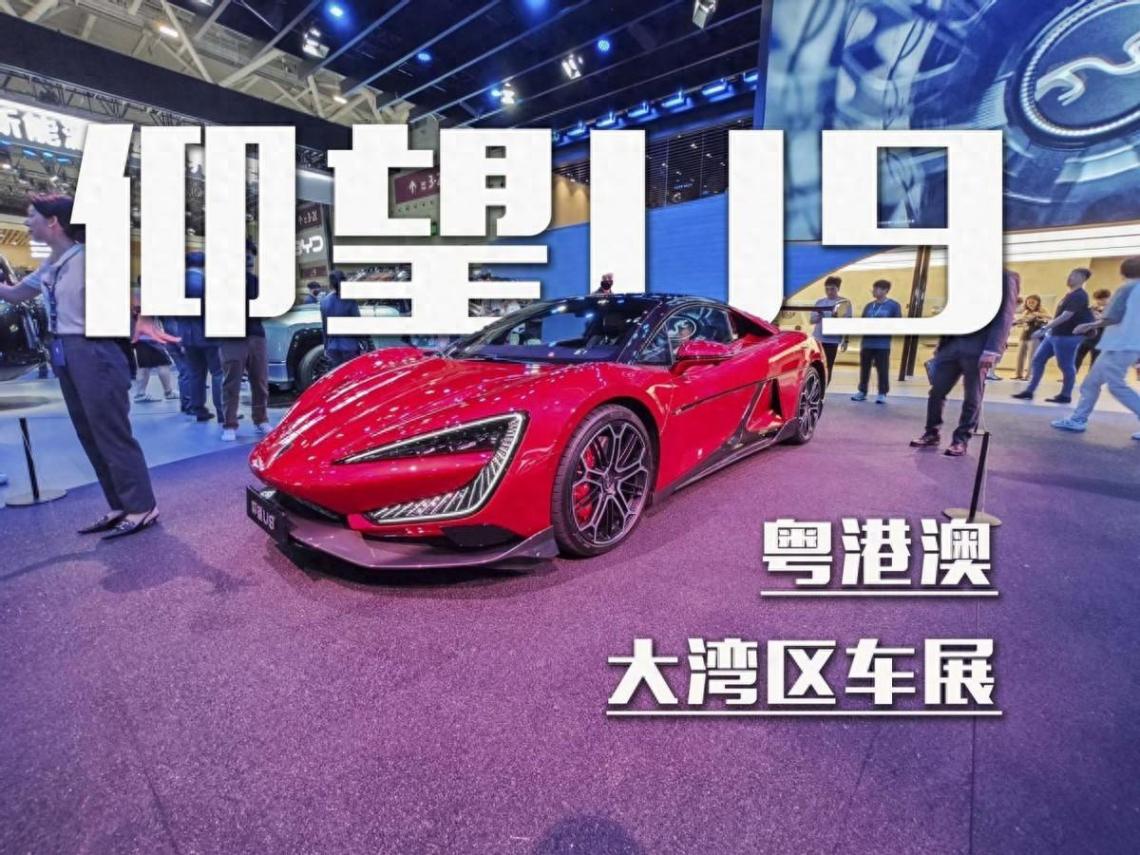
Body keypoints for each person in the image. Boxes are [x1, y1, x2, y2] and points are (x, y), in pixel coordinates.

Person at [0, 194, 159, 537]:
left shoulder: (91, 258)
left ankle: (142, 506)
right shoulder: (50, 265)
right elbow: (14, 294)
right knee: (88, 432)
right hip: (65, 351)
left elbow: (137, 293)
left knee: (111, 432)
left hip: (95, 351)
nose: (26, 222)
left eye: (32, 215)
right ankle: (120, 504)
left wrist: (145, 319)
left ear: (53, 221)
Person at [910, 270, 1020, 457]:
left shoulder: (1005, 277)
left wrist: (992, 350)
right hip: (951, 346)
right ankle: (931, 433)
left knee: (972, 396)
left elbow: (1005, 315)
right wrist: (942, 345)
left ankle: (961, 440)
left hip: (979, 348)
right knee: (936, 391)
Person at [1051, 257, 1140, 439]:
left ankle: (1078, 419)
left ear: (1123, 271)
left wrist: (1089, 325)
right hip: (1126, 346)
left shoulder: (1127, 288)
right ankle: (1078, 419)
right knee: (1091, 384)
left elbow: (1113, 316)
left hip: (1119, 346)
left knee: (1116, 386)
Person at [1012, 267, 1094, 403]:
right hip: (1054, 335)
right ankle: (1029, 391)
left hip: (1066, 337)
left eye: (1074, 275)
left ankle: (1065, 395)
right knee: (1038, 360)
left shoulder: (1079, 295)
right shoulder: (1069, 295)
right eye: (1070, 274)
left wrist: (1044, 328)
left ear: (1082, 278)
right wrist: (1049, 331)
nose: (1070, 277)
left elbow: (1066, 316)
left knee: (1066, 366)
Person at [219, 240, 270, 442]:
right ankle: (229, 424)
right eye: (244, 253)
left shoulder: (258, 282)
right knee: (231, 383)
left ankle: (261, 419)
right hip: (232, 337)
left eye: (251, 254)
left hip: (256, 334)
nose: (249, 258)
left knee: (260, 381)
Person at [181, 252, 225, 423]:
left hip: (187, 336)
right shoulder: (206, 282)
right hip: (209, 335)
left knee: (195, 374)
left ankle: (199, 410)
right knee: (218, 373)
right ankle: (223, 411)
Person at [850, 279, 901, 404]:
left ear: (885, 290)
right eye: (873, 289)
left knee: (882, 369)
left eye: (876, 289)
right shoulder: (869, 306)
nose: (873, 291)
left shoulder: (893, 305)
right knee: (864, 369)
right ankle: (862, 391)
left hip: (882, 345)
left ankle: (882, 393)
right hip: (867, 343)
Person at [809, 275, 851, 383]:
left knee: (828, 366)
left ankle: (824, 388)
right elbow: (812, 320)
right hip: (817, 339)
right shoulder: (820, 302)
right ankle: (814, 387)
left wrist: (846, 340)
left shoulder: (844, 303)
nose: (829, 292)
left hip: (832, 341)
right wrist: (819, 316)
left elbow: (847, 323)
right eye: (827, 289)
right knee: (814, 365)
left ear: (838, 288)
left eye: (832, 289)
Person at [320, 269, 363, 368]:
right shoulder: (350, 300)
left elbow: (325, 327)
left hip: (332, 347)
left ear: (331, 283)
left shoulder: (324, 302)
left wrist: (326, 347)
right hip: (350, 346)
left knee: (338, 374)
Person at [1013, 294, 1049, 380]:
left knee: (1031, 356)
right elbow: (1022, 320)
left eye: (1033, 302)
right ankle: (1018, 374)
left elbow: (1049, 317)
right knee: (1020, 356)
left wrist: (1037, 315)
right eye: (1028, 302)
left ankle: (1029, 376)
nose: (1030, 304)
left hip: (1034, 336)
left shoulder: (1041, 311)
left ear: (1038, 303)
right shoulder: (1026, 311)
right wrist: (1019, 322)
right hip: (1024, 335)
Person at [1076, 288, 1112, 371]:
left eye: (1101, 299)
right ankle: (1070, 376)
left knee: (1095, 362)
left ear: (1107, 298)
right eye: (1097, 299)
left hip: (1100, 339)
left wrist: (1097, 316)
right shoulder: (1094, 308)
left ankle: (1091, 377)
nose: (1098, 301)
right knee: (1077, 357)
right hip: (1088, 338)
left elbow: (1106, 321)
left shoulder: (1112, 309)